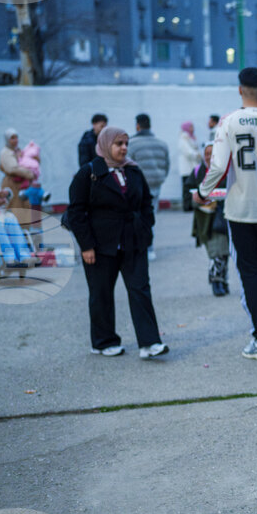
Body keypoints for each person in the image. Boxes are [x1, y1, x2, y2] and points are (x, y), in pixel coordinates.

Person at [195, 67, 257, 361]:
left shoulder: (229, 121)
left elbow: (218, 166)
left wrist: (203, 192)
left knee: (250, 273)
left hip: (240, 210)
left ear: (240, 89)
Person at [65, 126, 168, 360]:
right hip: (100, 246)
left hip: (133, 242)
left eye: (126, 144)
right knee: (101, 293)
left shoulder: (133, 170)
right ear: (105, 145)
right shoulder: (88, 173)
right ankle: (103, 341)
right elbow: (76, 212)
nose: (123, 148)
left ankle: (150, 342)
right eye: (118, 144)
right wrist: (86, 246)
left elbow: (146, 203)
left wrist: (145, 228)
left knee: (140, 290)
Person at [185, 143, 230, 296]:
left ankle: (222, 279)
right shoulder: (198, 171)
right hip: (205, 220)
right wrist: (198, 201)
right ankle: (217, 281)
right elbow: (187, 195)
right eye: (207, 154)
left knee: (223, 251)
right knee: (215, 251)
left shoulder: (227, 170)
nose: (210, 157)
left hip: (224, 217)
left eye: (213, 153)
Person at [130, 114, 170, 260]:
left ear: (137, 126)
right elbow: (167, 165)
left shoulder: (132, 143)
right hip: (155, 185)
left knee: (137, 217)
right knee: (150, 216)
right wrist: (160, 178)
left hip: (137, 187)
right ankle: (149, 248)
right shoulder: (161, 143)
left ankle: (141, 248)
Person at [0, 128, 35, 215]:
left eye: (16, 137)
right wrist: (29, 173)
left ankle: (24, 228)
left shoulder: (16, 150)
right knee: (16, 207)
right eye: (12, 138)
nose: (15, 140)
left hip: (21, 183)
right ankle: (17, 228)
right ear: (7, 139)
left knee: (24, 207)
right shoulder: (6, 152)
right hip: (12, 184)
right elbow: (12, 169)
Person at [178, 121, 201, 211]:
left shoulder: (191, 138)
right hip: (186, 168)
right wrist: (198, 155)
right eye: (191, 126)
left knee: (192, 187)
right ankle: (187, 206)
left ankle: (191, 205)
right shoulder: (183, 138)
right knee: (187, 188)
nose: (193, 128)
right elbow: (188, 152)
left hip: (192, 167)